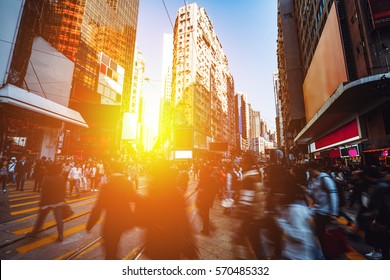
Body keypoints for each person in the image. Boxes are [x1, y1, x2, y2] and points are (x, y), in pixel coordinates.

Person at [139, 159, 198, 259]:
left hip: (155, 243)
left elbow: (141, 220)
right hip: (172, 243)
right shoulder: (177, 194)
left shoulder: (151, 193)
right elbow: (184, 222)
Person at [86, 161, 136, 259]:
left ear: (112, 170)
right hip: (124, 221)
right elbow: (133, 198)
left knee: (110, 247)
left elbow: (98, 207)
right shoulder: (128, 183)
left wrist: (90, 224)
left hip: (111, 222)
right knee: (115, 243)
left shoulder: (106, 186)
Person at [306, 161, 339, 259]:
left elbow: (333, 194)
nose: (308, 172)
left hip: (326, 212)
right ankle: (326, 253)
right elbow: (313, 193)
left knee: (323, 234)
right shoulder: (315, 179)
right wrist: (306, 191)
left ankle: (328, 255)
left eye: (309, 170)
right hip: (318, 210)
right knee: (320, 234)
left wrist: (333, 212)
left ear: (312, 169)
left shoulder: (325, 178)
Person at [26, 163, 67, 241]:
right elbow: (64, 191)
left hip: (48, 202)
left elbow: (44, 192)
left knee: (41, 218)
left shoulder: (48, 178)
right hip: (59, 201)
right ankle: (60, 235)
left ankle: (34, 233)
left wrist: (42, 203)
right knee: (59, 219)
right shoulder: (62, 178)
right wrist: (63, 199)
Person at [196, 163, 218, 235]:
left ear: (204, 171)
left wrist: (199, 191)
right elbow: (214, 188)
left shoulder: (203, 178)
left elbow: (199, 188)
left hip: (202, 198)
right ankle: (207, 229)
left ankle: (208, 228)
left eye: (202, 170)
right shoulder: (212, 178)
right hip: (208, 199)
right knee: (206, 213)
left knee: (201, 212)